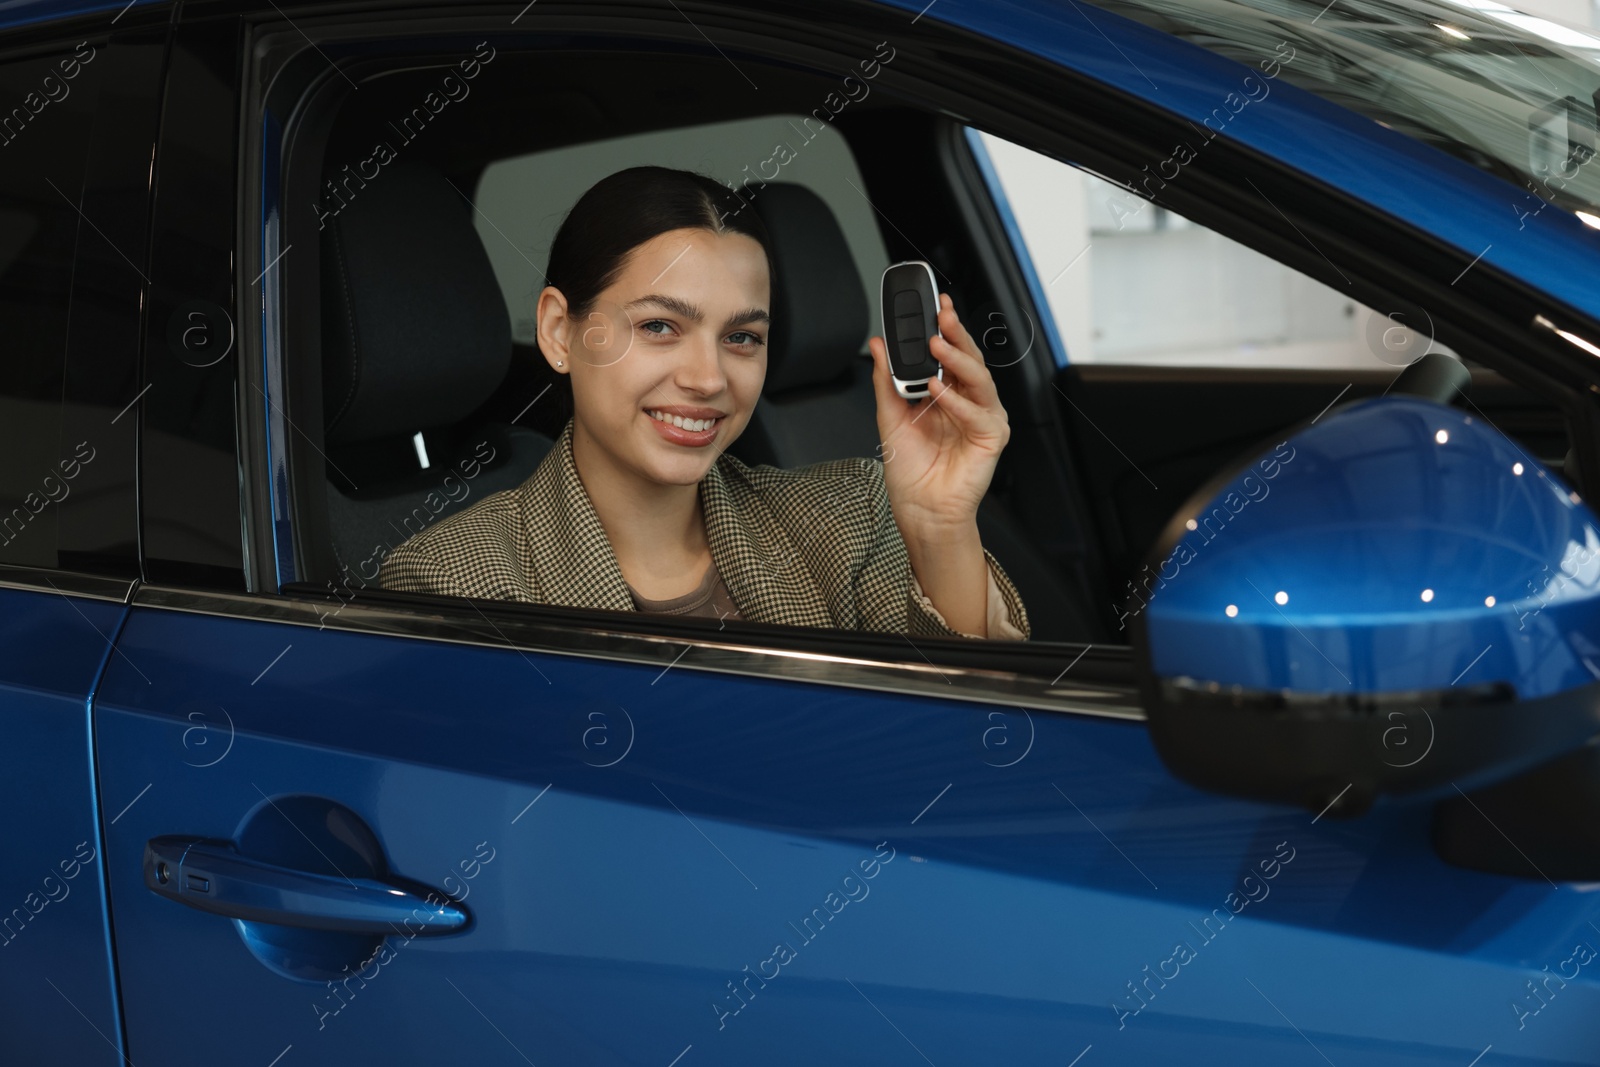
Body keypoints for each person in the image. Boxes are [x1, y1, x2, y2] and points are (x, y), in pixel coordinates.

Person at [379, 166, 1028, 639]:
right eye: (660, 326)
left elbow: (973, 751)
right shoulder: (450, 586)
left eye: (742, 337)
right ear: (558, 332)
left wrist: (942, 527)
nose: (708, 377)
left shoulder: (849, 516)